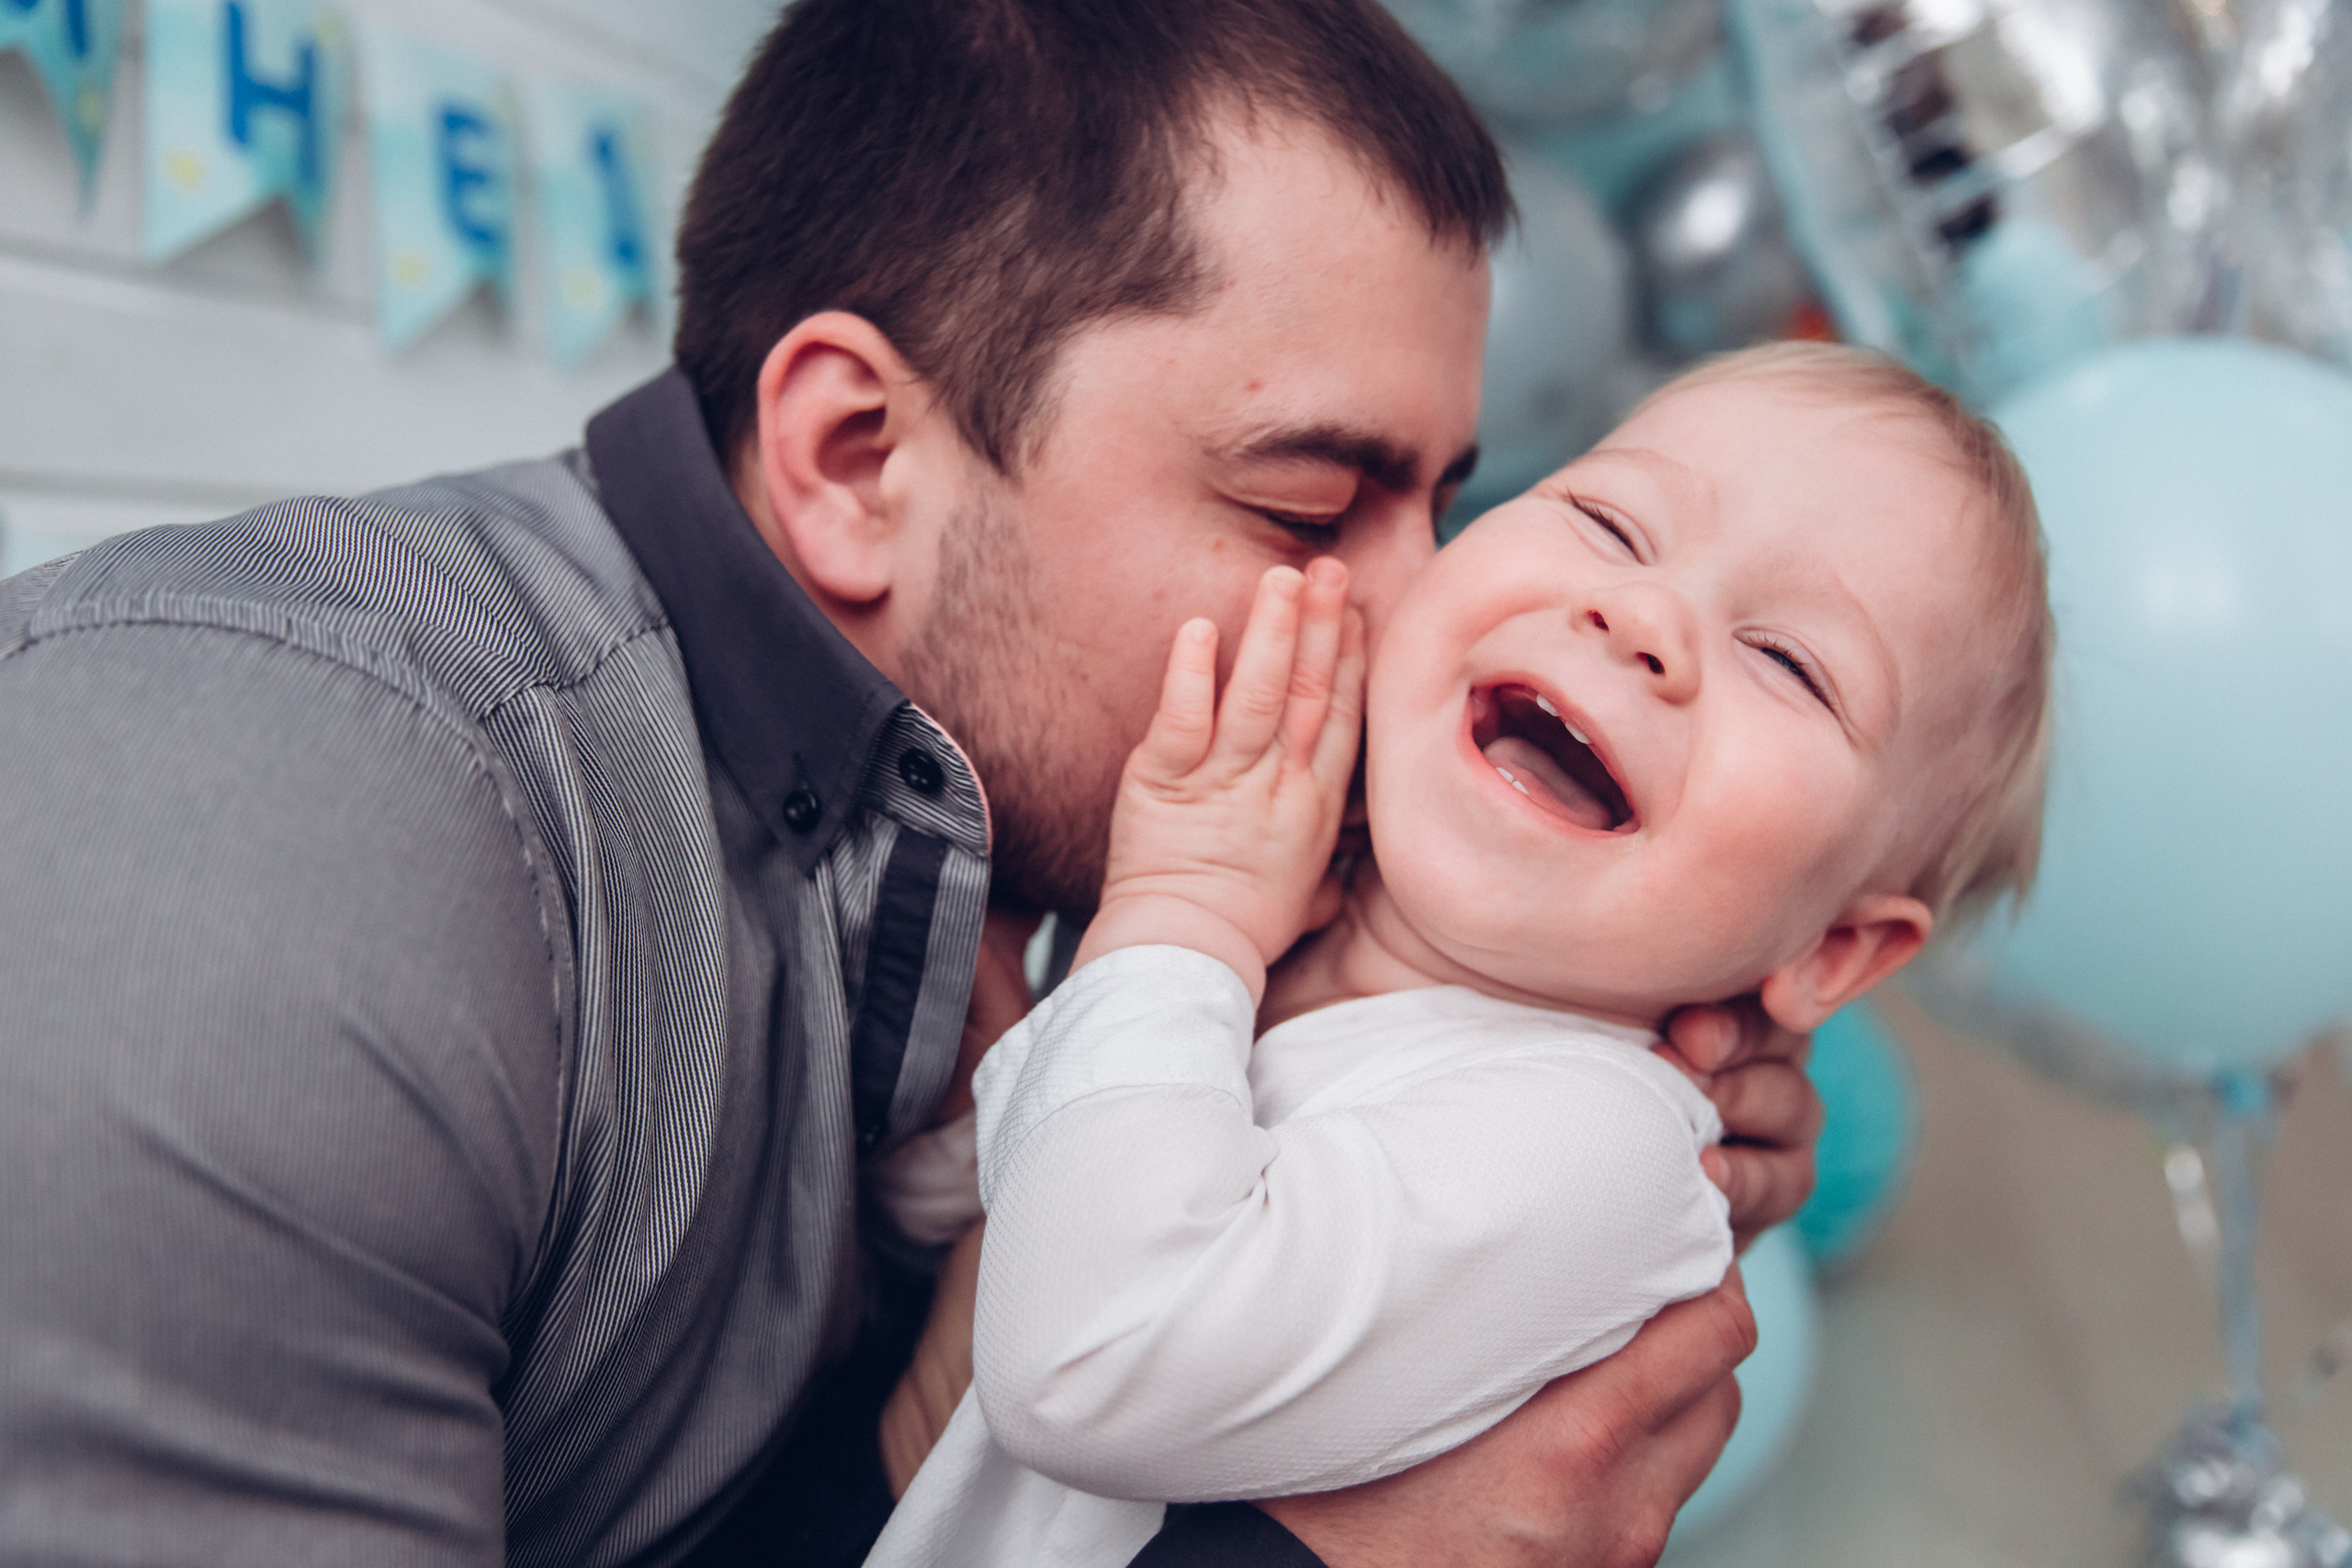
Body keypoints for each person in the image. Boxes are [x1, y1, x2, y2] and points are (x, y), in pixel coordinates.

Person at [0, 4, 1815, 1565]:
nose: (1420, 619)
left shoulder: (1043, 830)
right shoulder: (268, 836)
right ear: (858, 458)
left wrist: (1541, 1078)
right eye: (1308, 508)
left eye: (1444, 505)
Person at [866, 344, 2054, 1568]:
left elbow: (1083, 1361)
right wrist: (975, 1099)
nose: (1643, 616)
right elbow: (989, 1233)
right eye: (1609, 522)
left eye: (1788, 662)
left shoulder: (1602, 1147)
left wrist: (1180, 911)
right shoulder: (1292, 926)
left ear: (1838, 946)